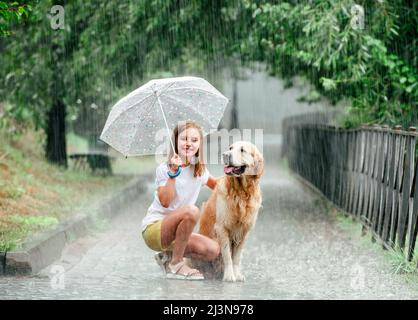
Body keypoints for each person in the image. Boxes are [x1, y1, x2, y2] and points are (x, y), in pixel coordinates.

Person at [141, 120, 220, 280]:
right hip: (155, 229)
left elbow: (219, 186)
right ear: (175, 141)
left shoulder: (199, 169)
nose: (189, 144)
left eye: (194, 140)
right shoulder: (164, 169)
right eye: (184, 139)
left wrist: (238, 178)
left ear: (199, 145)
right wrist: (173, 173)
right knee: (192, 211)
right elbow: (165, 202)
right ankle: (176, 263)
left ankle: (166, 256)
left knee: (213, 250)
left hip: (178, 235)